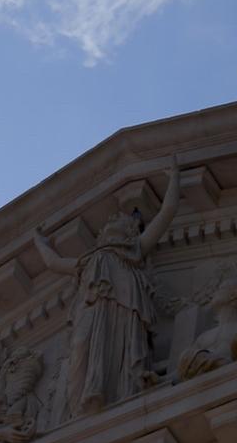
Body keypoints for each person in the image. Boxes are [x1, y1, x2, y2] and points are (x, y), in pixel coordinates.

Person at [34, 159, 182, 419]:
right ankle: (82, 408)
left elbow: (166, 213)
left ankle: (116, 393)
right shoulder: (88, 261)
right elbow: (53, 263)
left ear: (130, 231)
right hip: (90, 313)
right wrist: (38, 240)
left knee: (119, 352)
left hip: (122, 312)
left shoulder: (133, 251)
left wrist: (174, 179)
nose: (113, 217)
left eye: (119, 219)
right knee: (80, 349)